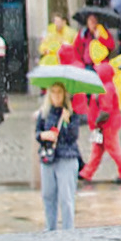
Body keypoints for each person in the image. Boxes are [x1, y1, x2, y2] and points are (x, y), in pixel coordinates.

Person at [36, 82, 83, 230]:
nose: (56, 96)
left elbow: (73, 136)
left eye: (59, 92)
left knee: (66, 198)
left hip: (66, 157)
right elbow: (37, 133)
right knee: (48, 195)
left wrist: (66, 123)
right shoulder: (44, 113)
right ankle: (50, 229)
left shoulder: (71, 113)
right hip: (48, 158)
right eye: (53, 92)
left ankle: (68, 230)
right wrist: (44, 135)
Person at [78, 61, 121, 183]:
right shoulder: (104, 87)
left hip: (106, 126)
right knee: (97, 149)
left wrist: (96, 123)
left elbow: (105, 111)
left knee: (112, 149)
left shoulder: (105, 89)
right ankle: (86, 173)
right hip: (102, 126)